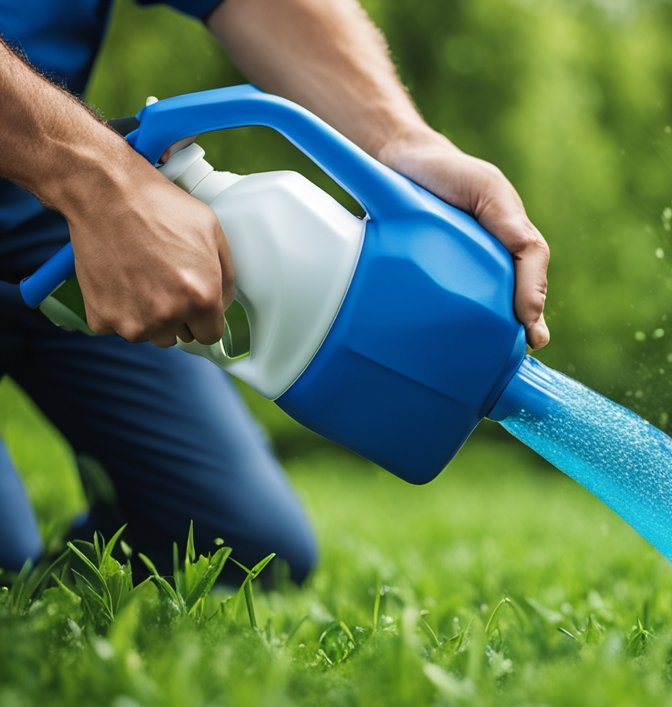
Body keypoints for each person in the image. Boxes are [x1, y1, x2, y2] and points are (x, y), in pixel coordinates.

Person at [0, 0, 550, 581]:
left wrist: (400, 142)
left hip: (50, 219)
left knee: (242, 543)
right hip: (71, 185)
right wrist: (97, 178)